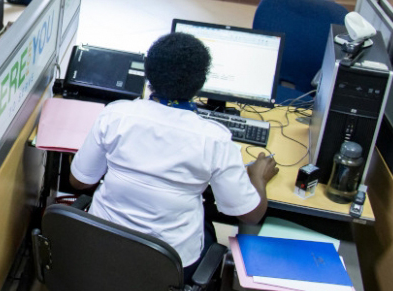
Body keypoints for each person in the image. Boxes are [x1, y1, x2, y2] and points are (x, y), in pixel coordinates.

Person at [69, 32, 278, 283]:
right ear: (200, 82)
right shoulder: (214, 139)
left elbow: (79, 182)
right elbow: (250, 215)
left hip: (101, 249)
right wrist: (258, 177)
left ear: (147, 75)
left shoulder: (116, 116)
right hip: (168, 266)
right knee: (208, 226)